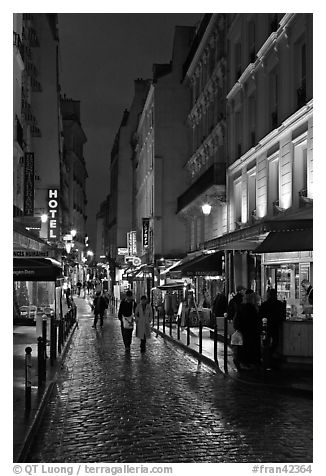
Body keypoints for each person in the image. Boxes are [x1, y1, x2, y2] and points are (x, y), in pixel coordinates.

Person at [233, 289, 261, 370]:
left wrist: (238, 328)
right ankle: (249, 363)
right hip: (251, 333)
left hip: (244, 332)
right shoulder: (254, 308)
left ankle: (244, 363)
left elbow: (237, 320)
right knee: (249, 348)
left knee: (243, 349)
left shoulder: (242, 307)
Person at [259, 288, 286, 366]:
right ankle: (270, 354)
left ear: (268, 295)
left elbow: (260, 315)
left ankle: (266, 355)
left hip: (266, 325)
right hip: (276, 325)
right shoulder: (280, 304)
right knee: (275, 341)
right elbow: (282, 316)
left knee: (266, 341)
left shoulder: (264, 304)